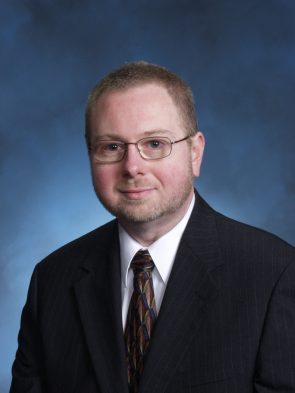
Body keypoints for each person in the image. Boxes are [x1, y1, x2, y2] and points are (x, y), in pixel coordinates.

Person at [10, 61, 295, 393]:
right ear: (90, 156)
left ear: (195, 153)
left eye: (155, 144)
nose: (132, 167)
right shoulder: (52, 280)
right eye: (111, 147)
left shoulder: (274, 273)